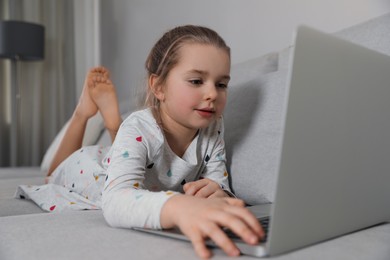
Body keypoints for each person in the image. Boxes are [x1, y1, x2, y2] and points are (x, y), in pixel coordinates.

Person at [39, 25, 264, 258]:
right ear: (158, 87)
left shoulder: (213, 125)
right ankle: (84, 113)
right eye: (197, 81)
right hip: (93, 171)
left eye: (221, 84)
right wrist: (176, 206)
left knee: (137, 149)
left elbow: (219, 182)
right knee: (51, 175)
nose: (213, 94)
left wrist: (219, 195)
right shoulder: (139, 126)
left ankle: (114, 126)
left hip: (133, 159)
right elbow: (115, 201)